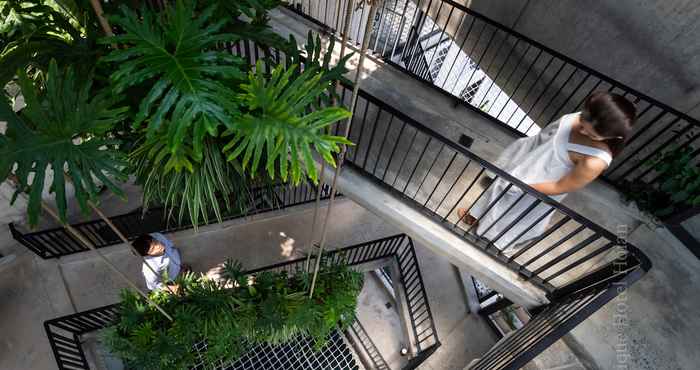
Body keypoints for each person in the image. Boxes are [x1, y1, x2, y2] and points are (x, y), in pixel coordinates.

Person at [457, 91, 636, 251]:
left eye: (592, 134)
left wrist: (522, 185)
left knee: (511, 213)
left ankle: (492, 237)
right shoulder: (589, 117)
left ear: (613, 137)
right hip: (527, 161)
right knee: (497, 193)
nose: (581, 129)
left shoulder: (594, 161)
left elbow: (561, 186)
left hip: (539, 186)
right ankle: (478, 216)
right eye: (583, 119)